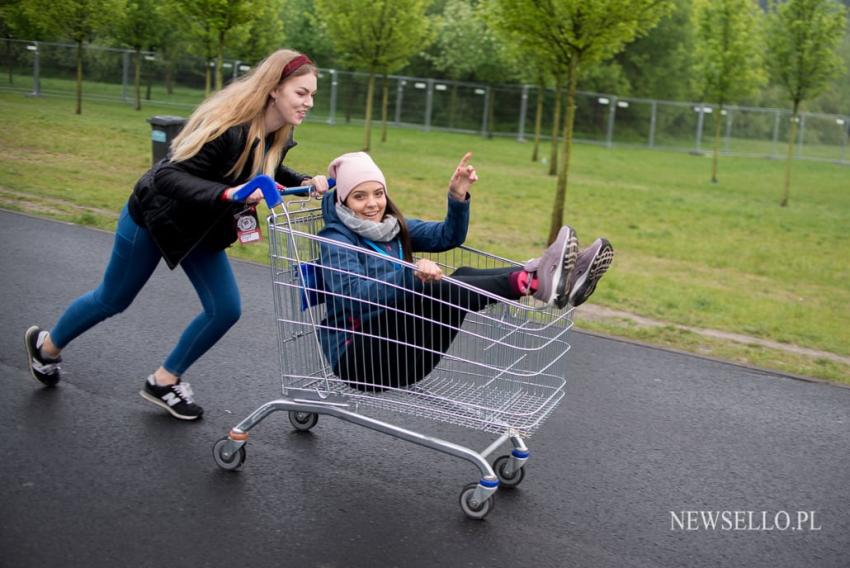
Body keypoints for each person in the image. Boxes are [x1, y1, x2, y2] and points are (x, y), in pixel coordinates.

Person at [24, 49, 329, 420]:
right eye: (302, 93)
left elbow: (266, 166)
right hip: (155, 219)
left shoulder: (275, 131)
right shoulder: (226, 126)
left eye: (312, 94)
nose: (309, 102)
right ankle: (46, 348)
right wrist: (228, 194)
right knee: (113, 299)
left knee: (225, 309)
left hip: (200, 229)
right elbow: (168, 175)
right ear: (273, 90)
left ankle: (164, 381)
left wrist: (302, 181)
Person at [316, 151, 614, 391]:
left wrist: (457, 198)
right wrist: (411, 274)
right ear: (343, 200)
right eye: (360, 196)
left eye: (378, 193)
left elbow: (448, 237)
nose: (372, 203)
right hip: (360, 359)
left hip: (404, 352)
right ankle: (536, 280)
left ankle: (554, 278)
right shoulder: (336, 240)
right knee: (428, 287)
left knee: (462, 273)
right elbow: (353, 297)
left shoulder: (391, 228)